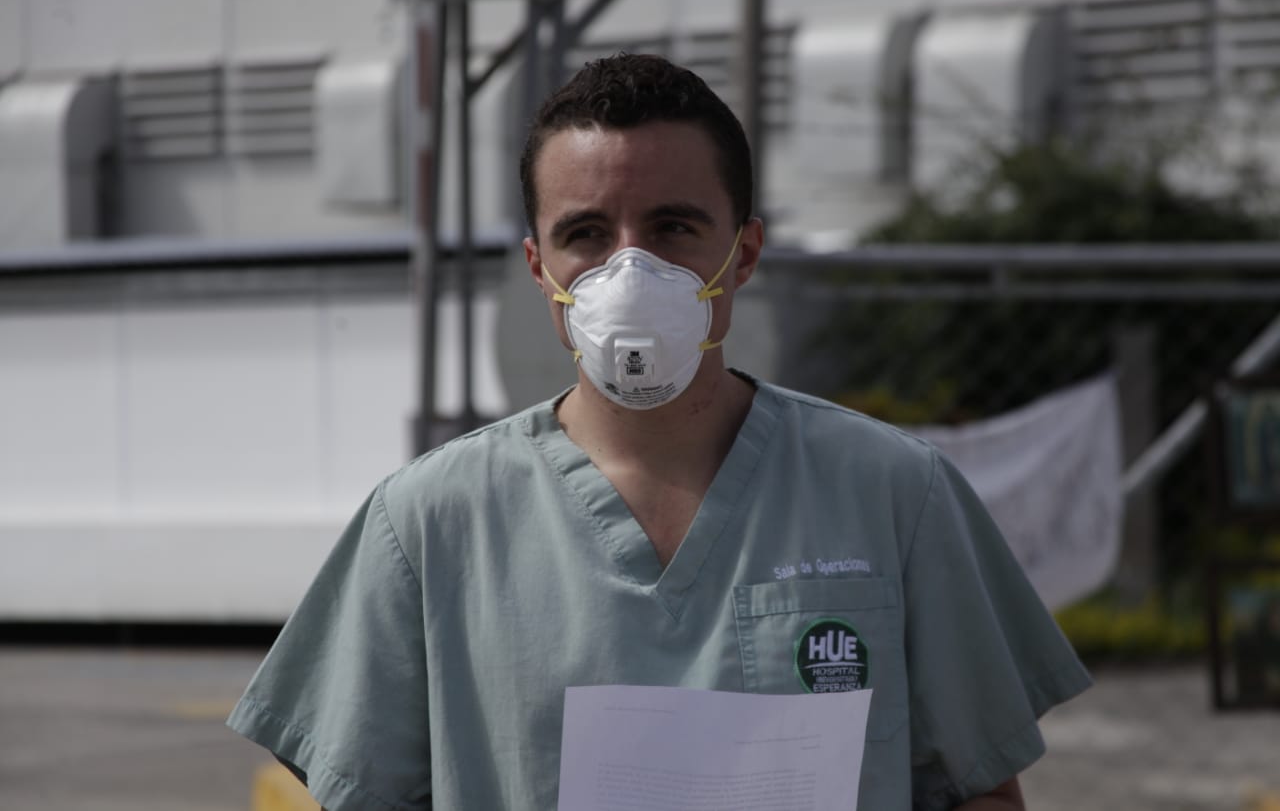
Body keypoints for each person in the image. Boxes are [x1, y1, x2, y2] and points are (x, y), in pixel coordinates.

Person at [227, 52, 1091, 810]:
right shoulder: (429, 525)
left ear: (743, 252)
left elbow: (980, 787)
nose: (628, 270)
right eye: (586, 234)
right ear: (539, 267)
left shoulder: (893, 492)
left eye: (674, 227)